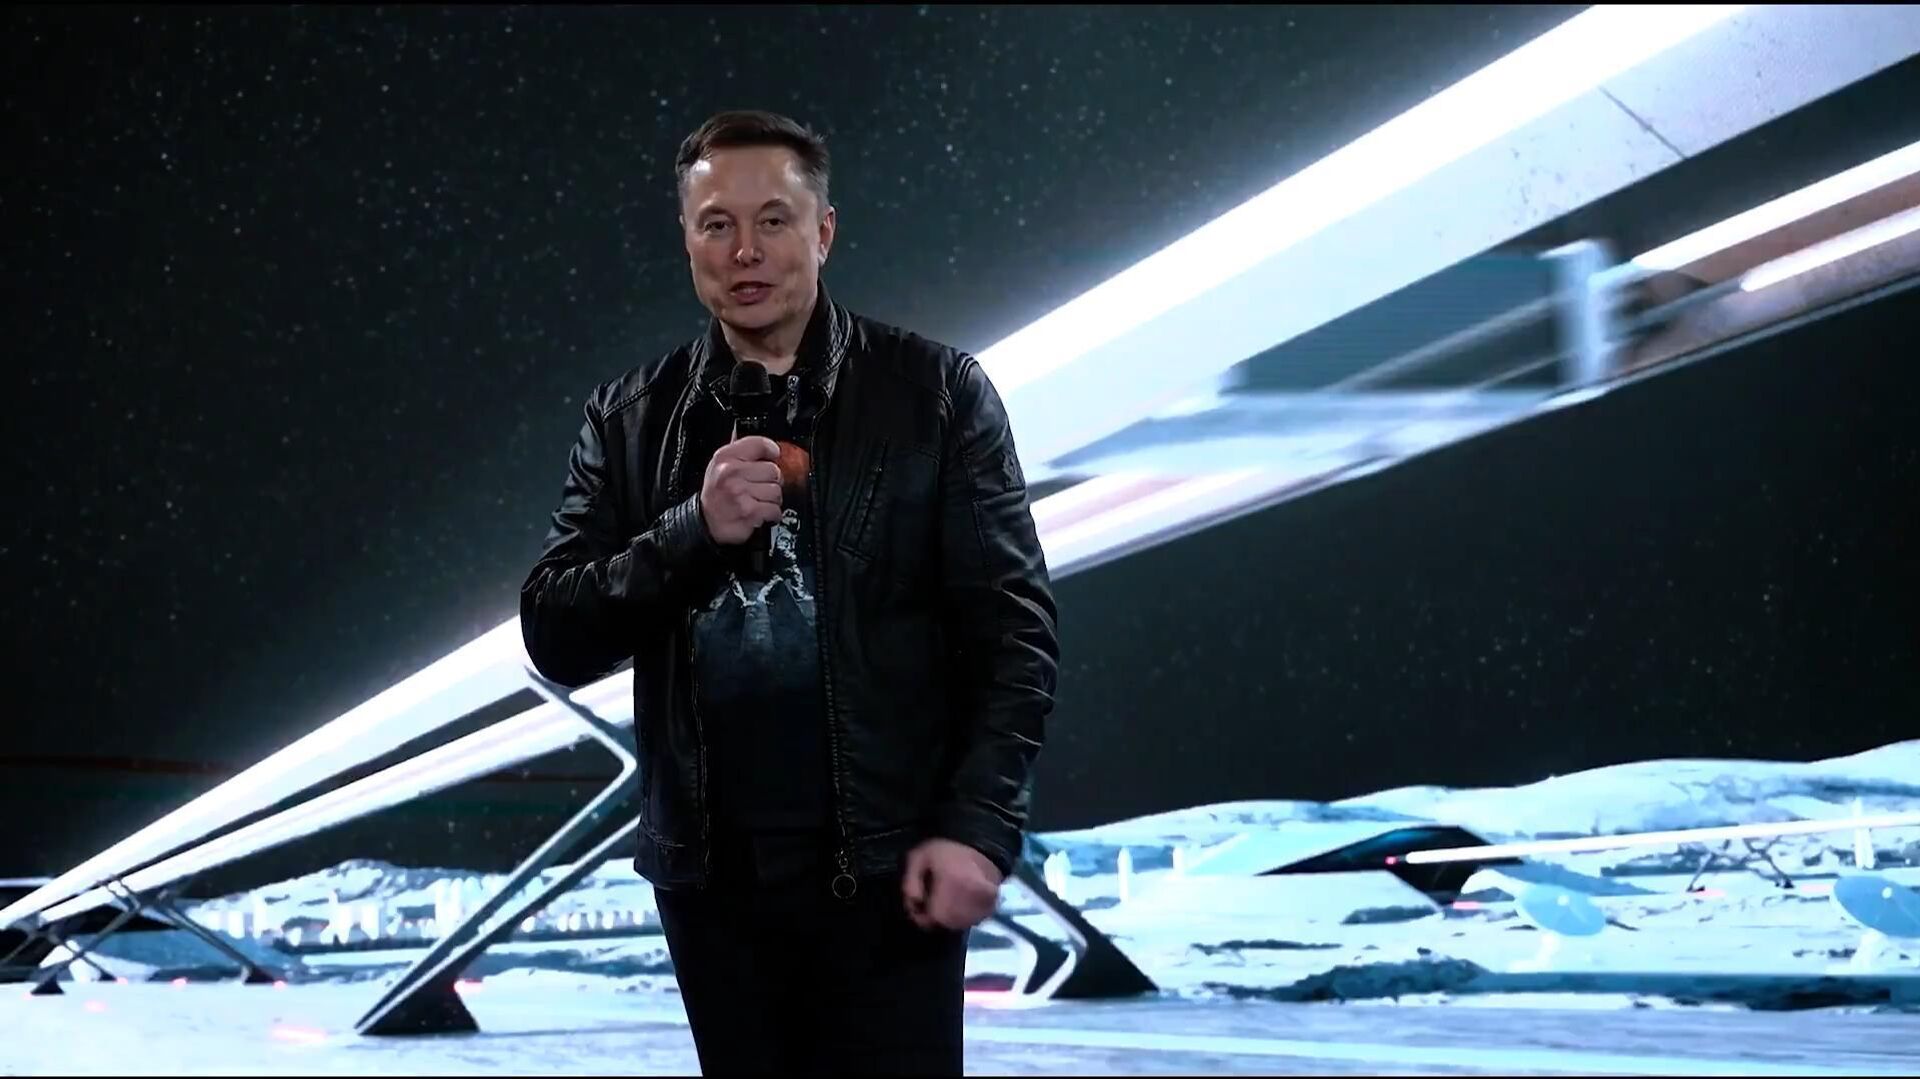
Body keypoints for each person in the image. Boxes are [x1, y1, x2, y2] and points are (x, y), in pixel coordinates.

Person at [518, 109, 1061, 1076]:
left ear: (824, 231)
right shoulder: (628, 417)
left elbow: (1013, 633)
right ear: (687, 240)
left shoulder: (936, 394)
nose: (746, 250)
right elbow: (554, 630)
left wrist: (977, 827)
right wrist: (692, 532)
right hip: (710, 885)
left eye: (773, 219)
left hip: (890, 872)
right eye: (716, 224)